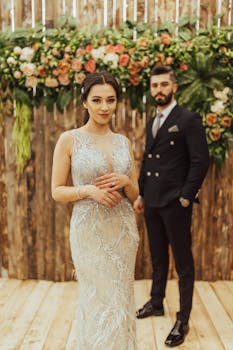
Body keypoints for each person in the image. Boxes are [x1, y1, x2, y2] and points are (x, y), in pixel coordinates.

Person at [51, 72, 139, 350]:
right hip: (89, 232)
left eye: (110, 100)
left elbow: (136, 194)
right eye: (97, 100)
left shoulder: (124, 142)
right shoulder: (69, 140)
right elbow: (56, 191)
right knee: (95, 297)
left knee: (120, 297)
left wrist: (126, 182)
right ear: (84, 103)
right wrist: (88, 190)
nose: (105, 107)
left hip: (123, 231)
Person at [133, 65, 210, 347]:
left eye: (164, 85)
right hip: (152, 201)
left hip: (175, 203)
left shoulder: (188, 119)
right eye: (154, 86)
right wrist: (141, 194)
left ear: (174, 87)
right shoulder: (153, 120)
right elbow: (148, 160)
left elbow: (201, 160)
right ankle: (156, 302)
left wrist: (186, 196)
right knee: (157, 258)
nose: (159, 90)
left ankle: (183, 318)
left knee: (183, 262)